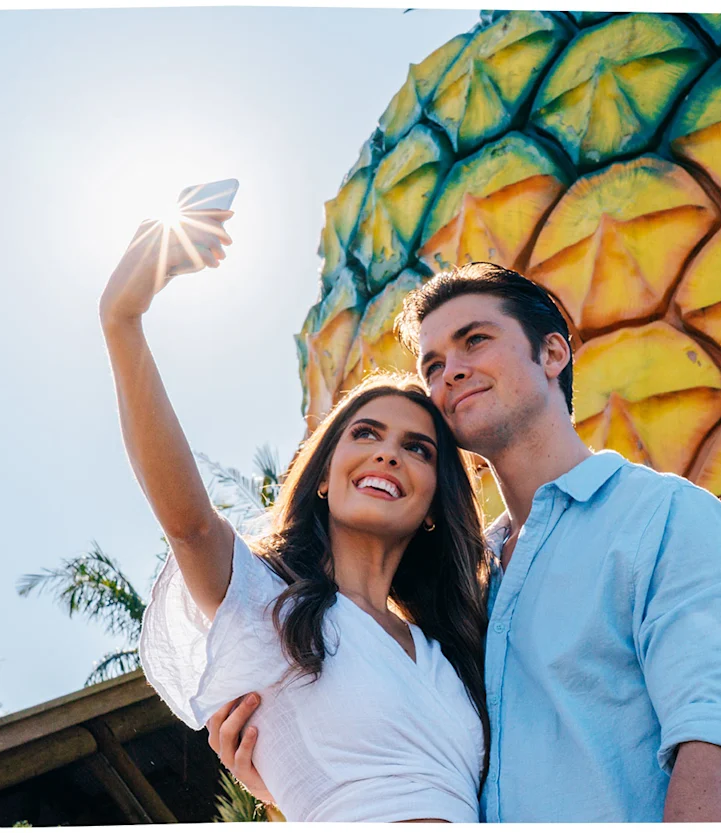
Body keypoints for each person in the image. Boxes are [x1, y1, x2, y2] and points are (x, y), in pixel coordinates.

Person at [209, 261, 721, 822]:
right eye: (432, 365)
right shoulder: (466, 588)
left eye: (474, 340)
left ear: (553, 353)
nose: (449, 372)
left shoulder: (663, 517)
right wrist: (294, 774)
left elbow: (719, 738)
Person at [99, 209, 495, 822]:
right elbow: (190, 524)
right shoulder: (270, 604)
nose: (388, 451)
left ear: (435, 509)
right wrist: (122, 322)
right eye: (365, 433)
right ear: (322, 479)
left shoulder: (452, 649)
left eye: (418, 448)